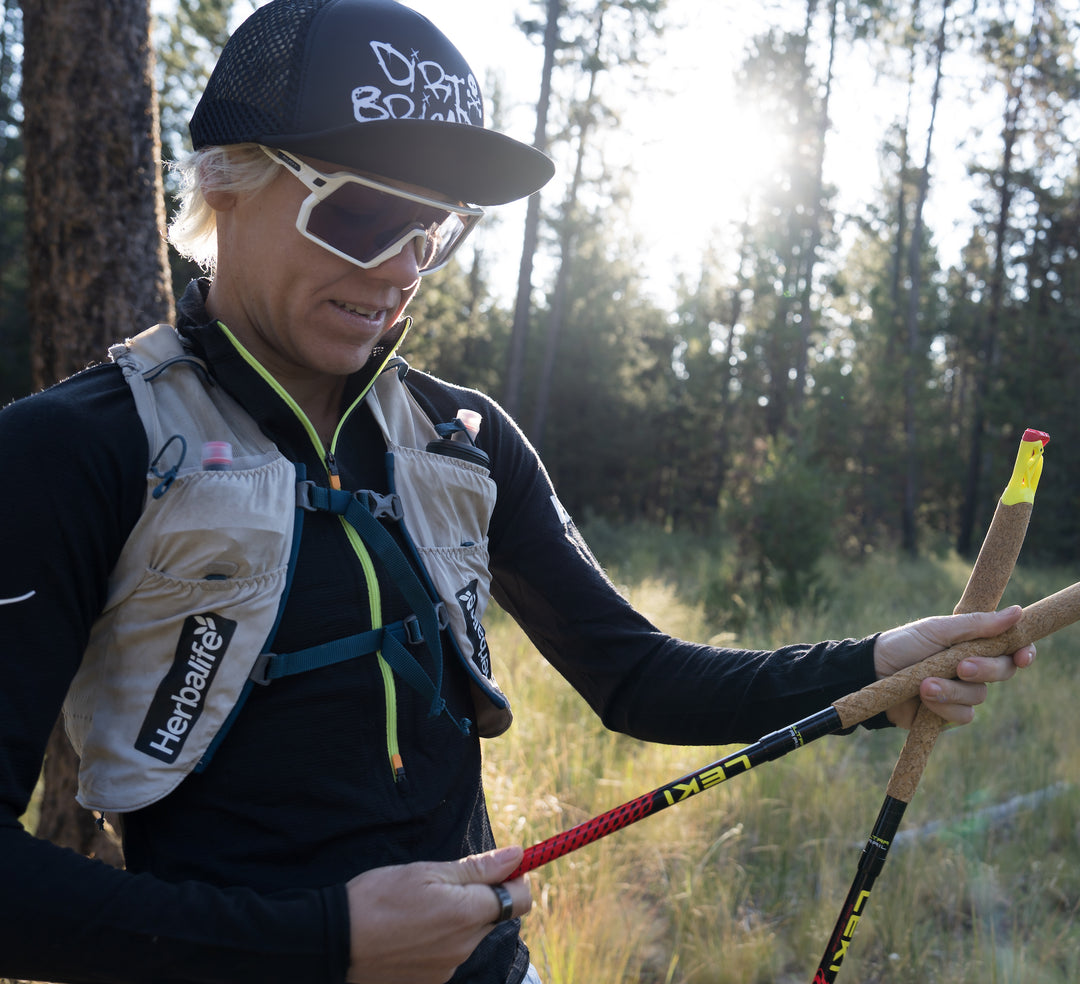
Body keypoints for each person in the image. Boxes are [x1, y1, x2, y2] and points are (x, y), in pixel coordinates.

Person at [0, 2, 1035, 982]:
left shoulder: (467, 439)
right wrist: (326, 944)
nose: (403, 269)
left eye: (436, 230)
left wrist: (872, 671)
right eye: (360, 213)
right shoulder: (74, 449)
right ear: (223, 185)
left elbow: (636, 678)